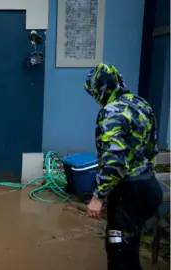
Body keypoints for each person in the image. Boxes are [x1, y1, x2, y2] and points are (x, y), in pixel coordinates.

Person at [84, 63, 163, 269]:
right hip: (150, 188)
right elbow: (152, 146)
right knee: (129, 245)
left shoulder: (113, 112)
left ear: (100, 89)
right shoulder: (140, 103)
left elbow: (115, 160)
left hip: (129, 196)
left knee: (119, 252)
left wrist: (98, 197)